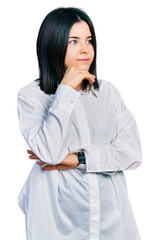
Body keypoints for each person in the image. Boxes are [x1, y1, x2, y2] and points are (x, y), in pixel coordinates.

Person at [17, 7, 142, 240]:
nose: (85, 49)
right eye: (73, 41)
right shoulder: (32, 96)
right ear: (53, 45)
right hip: (58, 221)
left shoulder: (107, 93)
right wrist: (65, 92)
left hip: (112, 218)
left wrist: (78, 159)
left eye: (89, 40)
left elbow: (132, 152)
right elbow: (50, 152)